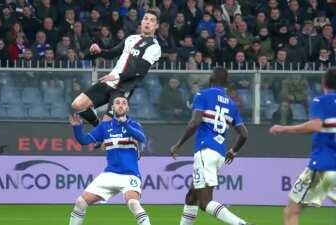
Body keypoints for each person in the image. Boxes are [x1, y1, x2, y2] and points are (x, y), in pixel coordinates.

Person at [169, 67, 253, 225]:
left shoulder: (203, 95)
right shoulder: (232, 105)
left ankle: (241, 224)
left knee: (205, 203)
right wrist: (233, 151)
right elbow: (244, 134)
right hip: (220, 154)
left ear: (212, 78)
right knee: (191, 197)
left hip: (205, 150)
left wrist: (178, 144)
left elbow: (195, 122)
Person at [68, 96, 151, 225]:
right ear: (112, 108)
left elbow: (142, 138)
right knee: (80, 202)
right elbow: (84, 140)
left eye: (124, 103)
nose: (121, 105)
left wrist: (125, 124)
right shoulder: (104, 127)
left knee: (134, 204)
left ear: (127, 108)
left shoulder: (134, 125)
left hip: (129, 174)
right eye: (117, 103)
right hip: (110, 174)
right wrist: (77, 128)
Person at [71, 9, 161, 127]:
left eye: (152, 20)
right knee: (77, 105)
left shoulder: (154, 47)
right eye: (146, 19)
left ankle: (107, 133)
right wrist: (99, 51)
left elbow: (140, 71)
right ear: (141, 22)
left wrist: (117, 76)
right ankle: (99, 127)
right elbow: (112, 53)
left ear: (156, 25)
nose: (148, 22)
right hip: (110, 80)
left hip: (123, 88)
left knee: (108, 128)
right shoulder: (131, 38)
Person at [270, 68, 336, 225]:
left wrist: (284, 129)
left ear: (323, 83)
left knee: (292, 211)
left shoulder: (321, 101)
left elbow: (314, 126)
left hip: (322, 166)